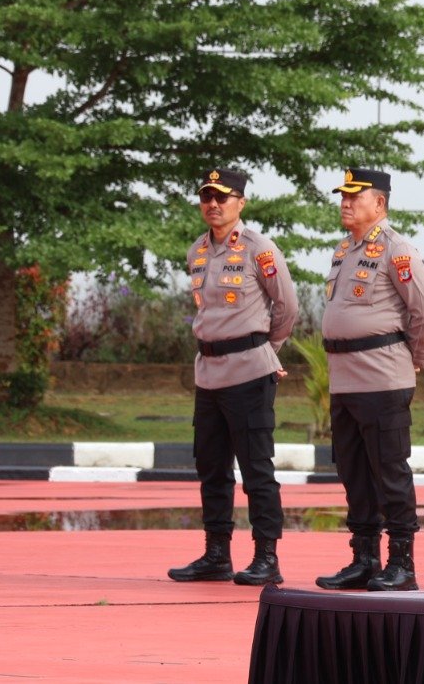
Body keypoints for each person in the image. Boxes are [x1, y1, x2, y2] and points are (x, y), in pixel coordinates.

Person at [168, 168, 298, 586]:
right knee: (211, 468)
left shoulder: (260, 249)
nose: (213, 204)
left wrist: (266, 350)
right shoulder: (197, 251)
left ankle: (266, 556)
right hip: (208, 374)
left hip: (249, 372)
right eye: (206, 196)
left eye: (222, 197)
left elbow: (287, 307)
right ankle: (216, 554)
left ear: (240, 202)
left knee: (256, 468)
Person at [314, 168, 424, 593]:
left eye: (355, 196)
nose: (346, 203)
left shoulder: (396, 249)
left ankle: (401, 562)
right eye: (343, 196)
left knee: (390, 472)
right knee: (354, 473)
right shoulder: (344, 250)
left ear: (380, 203)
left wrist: (415, 359)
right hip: (345, 379)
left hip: (382, 378)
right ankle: (364, 559)